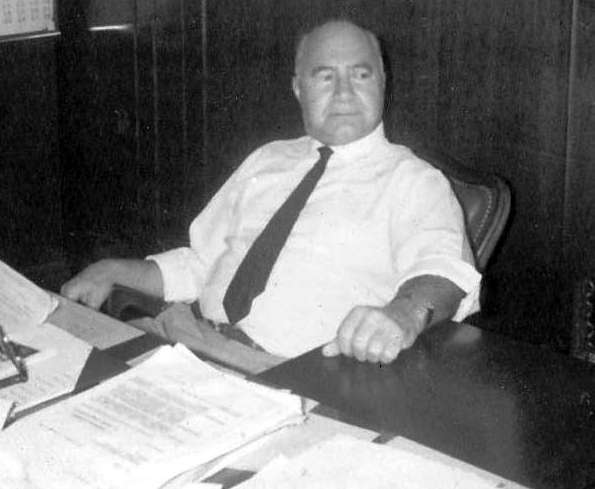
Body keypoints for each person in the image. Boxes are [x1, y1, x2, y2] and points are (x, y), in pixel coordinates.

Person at [62, 19, 481, 365]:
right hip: (182, 339)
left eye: (361, 74)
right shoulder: (269, 159)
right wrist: (111, 270)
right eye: (325, 76)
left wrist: (404, 313)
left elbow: (443, 269)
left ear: (383, 82)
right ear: (298, 89)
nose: (344, 92)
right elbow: (200, 264)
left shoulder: (413, 181)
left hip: (283, 373)